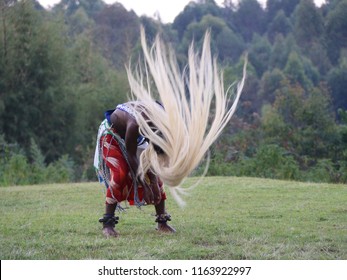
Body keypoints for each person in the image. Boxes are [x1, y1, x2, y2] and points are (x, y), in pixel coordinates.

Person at [94, 102, 176, 237]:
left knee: (153, 172)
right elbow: (132, 156)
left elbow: (153, 155)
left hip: (137, 136)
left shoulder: (161, 122)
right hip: (112, 134)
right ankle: (108, 224)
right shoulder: (135, 124)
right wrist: (145, 185)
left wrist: (153, 182)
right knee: (120, 173)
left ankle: (162, 222)